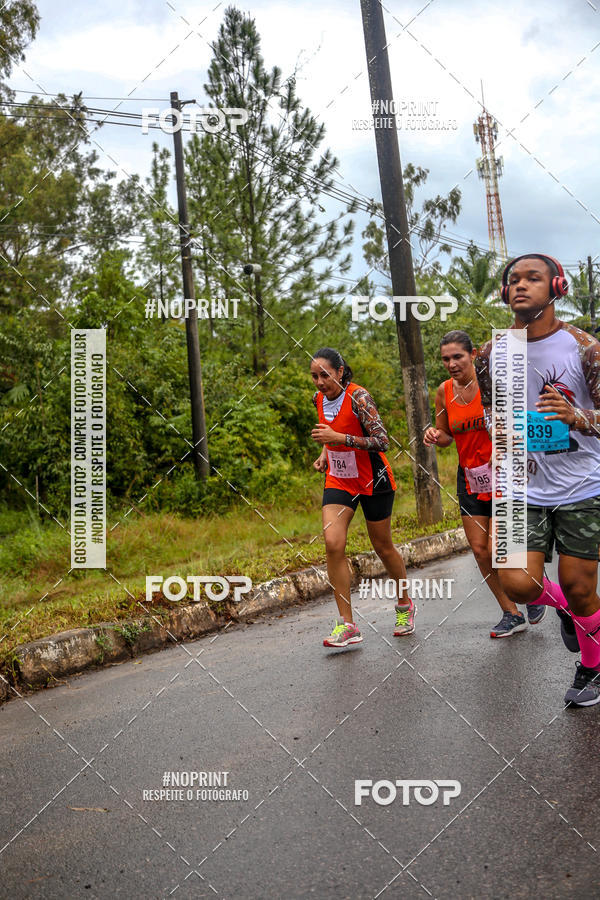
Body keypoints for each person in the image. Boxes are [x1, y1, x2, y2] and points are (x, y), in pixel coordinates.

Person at [475, 253, 600, 706]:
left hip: (583, 486)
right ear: (504, 293)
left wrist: (579, 416)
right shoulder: (492, 354)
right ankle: (572, 613)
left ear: (558, 287)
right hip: (522, 486)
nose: (521, 285)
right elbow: (490, 413)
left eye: (533, 278)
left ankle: (591, 666)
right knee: (516, 583)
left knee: (580, 585)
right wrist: (501, 427)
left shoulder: (584, 347)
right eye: (513, 280)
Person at [423, 330, 546, 637]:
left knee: (498, 547)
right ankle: (511, 612)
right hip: (470, 477)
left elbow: (519, 423)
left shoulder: (491, 385)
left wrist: (504, 450)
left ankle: (533, 584)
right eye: (445, 359)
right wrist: (435, 436)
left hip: (504, 473)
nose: (451, 364)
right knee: (480, 550)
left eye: (457, 357)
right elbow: (447, 436)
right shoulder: (443, 392)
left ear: (474, 355)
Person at [310, 347, 414, 648]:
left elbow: (382, 441)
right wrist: (325, 454)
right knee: (333, 543)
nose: (319, 382)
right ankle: (347, 624)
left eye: (325, 375)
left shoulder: (359, 397)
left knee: (382, 546)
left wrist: (338, 440)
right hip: (340, 480)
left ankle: (405, 605)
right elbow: (330, 435)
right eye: (315, 376)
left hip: (373, 479)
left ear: (340, 372)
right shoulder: (319, 399)